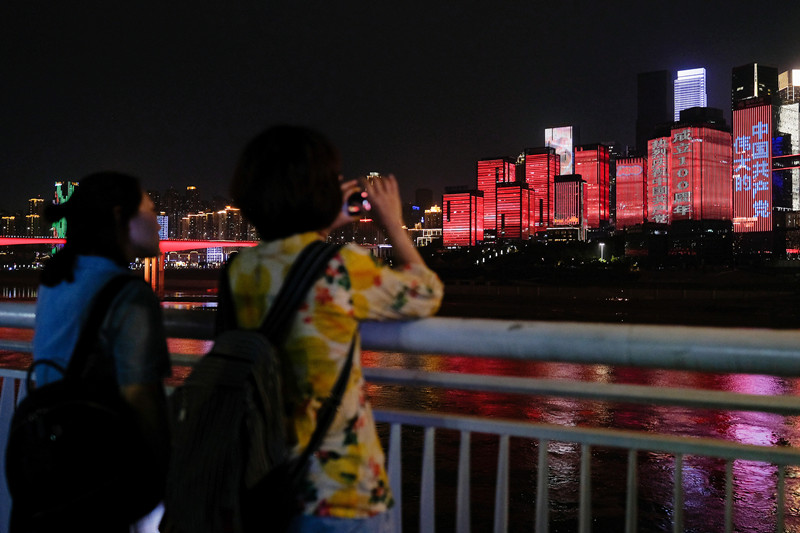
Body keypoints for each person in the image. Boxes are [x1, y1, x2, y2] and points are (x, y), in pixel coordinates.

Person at [226, 125, 444, 532]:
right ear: (320, 193)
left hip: (259, 481)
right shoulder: (339, 266)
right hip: (339, 491)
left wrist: (320, 224)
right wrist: (393, 224)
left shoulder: (238, 270)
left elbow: (293, 260)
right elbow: (426, 292)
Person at [28, 172, 171, 531]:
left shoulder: (58, 278)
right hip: (103, 468)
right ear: (120, 216)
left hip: (53, 457)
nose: (158, 221)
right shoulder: (129, 295)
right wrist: (169, 476)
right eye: (150, 210)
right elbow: (142, 397)